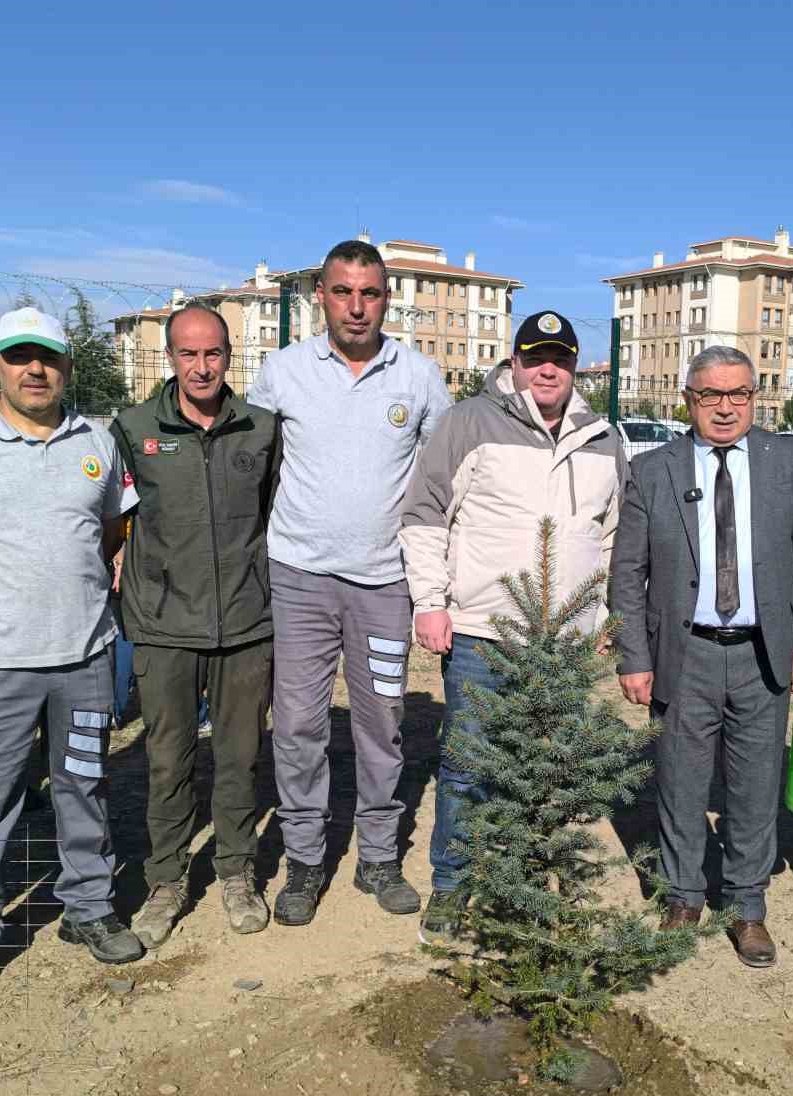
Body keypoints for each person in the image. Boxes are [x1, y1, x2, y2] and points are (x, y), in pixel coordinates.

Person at [0, 306, 143, 1009]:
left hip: (84, 657)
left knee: (83, 786)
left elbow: (112, 528)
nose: (35, 369)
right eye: (19, 356)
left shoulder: (99, 442)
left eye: (47, 357)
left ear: (67, 367)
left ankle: (88, 907)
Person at [400, 310, 627, 937]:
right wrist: (430, 601)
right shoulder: (469, 423)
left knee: (556, 768)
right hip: (482, 631)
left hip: (569, 640)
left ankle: (535, 882)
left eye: (559, 357)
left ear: (575, 365)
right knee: (470, 763)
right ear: (516, 363)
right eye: (534, 357)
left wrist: (608, 612)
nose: (546, 369)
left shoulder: (605, 438)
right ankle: (452, 882)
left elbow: (613, 537)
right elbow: (425, 513)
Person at [248, 239, 450, 927]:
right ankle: (305, 859)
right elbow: (255, 467)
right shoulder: (281, 373)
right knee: (300, 724)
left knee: (383, 723)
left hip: (384, 585)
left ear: (386, 299)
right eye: (343, 291)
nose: (356, 306)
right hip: (300, 579)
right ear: (320, 298)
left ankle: (380, 856)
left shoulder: (419, 377)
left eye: (369, 293)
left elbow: (441, 484)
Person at [610, 345, 793, 968]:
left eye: (739, 395)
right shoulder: (654, 470)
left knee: (755, 786)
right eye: (711, 396)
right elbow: (628, 571)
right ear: (689, 401)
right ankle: (683, 896)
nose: (726, 408)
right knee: (678, 780)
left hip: (763, 652)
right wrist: (633, 655)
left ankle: (746, 906)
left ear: (755, 399)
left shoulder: (787, 462)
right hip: (686, 652)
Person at [111, 304, 279, 948]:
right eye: (188, 354)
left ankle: (236, 872)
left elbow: (270, 515)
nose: (201, 367)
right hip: (163, 627)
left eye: (212, 354)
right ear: (170, 358)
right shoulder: (134, 428)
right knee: (167, 762)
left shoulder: (260, 430)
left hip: (244, 623)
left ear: (229, 356)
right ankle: (166, 879)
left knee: (238, 758)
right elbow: (114, 515)